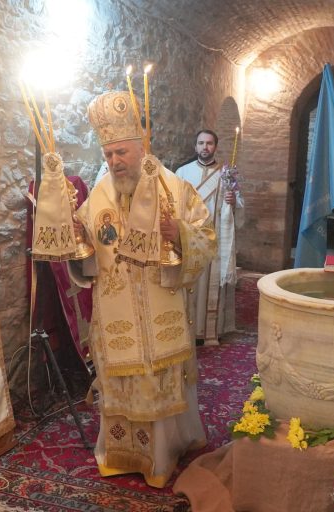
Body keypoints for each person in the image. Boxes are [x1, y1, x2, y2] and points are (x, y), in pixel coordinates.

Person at [68, 91, 217, 488]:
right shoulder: (98, 196)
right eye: (109, 155)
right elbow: (84, 259)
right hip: (115, 310)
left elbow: (207, 237)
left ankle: (165, 453)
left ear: (142, 147)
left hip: (158, 307)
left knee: (159, 376)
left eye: (122, 152)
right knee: (120, 380)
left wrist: (180, 234)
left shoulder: (175, 189)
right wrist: (76, 240)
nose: (115, 162)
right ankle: (120, 453)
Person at [176, 130, 244, 346]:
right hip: (189, 240)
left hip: (214, 241)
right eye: (201, 143)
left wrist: (233, 202)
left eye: (209, 143)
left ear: (216, 146)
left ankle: (211, 331)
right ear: (195, 147)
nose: (205, 147)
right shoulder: (182, 173)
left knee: (211, 283)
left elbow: (239, 213)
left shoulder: (226, 175)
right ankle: (186, 330)